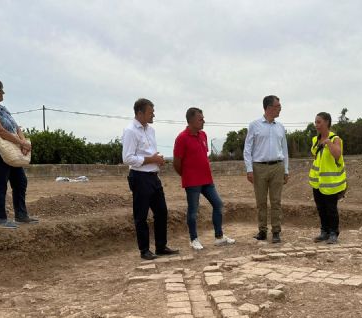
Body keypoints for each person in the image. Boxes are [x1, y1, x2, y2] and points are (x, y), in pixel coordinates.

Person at [0, 76, 38, 229]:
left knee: (20, 181)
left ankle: (21, 215)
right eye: (0, 89)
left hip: (11, 148)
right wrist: (21, 142)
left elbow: (16, 127)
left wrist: (23, 142)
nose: (3, 92)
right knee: (0, 182)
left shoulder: (2, 108)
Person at [122, 98, 178, 260]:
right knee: (141, 215)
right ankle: (144, 250)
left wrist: (157, 160)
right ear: (140, 113)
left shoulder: (150, 130)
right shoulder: (130, 131)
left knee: (162, 212)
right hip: (139, 177)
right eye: (150, 112)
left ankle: (161, 247)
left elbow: (148, 153)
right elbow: (127, 158)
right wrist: (151, 160)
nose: (153, 114)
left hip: (153, 176)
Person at [173, 107, 235, 251]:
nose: (203, 121)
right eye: (200, 119)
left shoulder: (203, 135)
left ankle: (219, 237)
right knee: (193, 211)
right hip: (192, 182)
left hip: (207, 180)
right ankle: (193, 239)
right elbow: (177, 163)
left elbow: (202, 156)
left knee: (218, 204)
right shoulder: (181, 138)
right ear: (191, 120)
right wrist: (187, 175)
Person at [243, 95, 289, 243]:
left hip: (277, 167)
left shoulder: (280, 127)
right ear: (269, 108)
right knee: (261, 202)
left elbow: (285, 150)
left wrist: (286, 170)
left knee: (276, 201)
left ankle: (276, 232)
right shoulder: (254, 125)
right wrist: (249, 169)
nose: (280, 108)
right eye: (278, 106)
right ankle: (262, 231)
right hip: (259, 168)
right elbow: (247, 149)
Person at [309, 112, 347, 244]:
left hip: (331, 183)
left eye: (319, 122)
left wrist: (328, 143)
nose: (316, 125)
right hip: (317, 183)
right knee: (321, 209)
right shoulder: (315, 139)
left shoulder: (336, 138)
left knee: (331, 209)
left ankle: (333, 233)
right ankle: (324, 232)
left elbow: (337, 154)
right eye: (316, 122)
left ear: (327, 123)